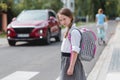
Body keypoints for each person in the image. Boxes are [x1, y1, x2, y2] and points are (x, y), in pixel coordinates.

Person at [57, 8, 86, 80]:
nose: (63, 22)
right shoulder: (69, 30)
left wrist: (71, 67)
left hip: (70, 61)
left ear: (70, 17)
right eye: (60, 20)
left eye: (64, 19)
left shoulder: (74, 32)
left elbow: (75, 50)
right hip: (66, 60)